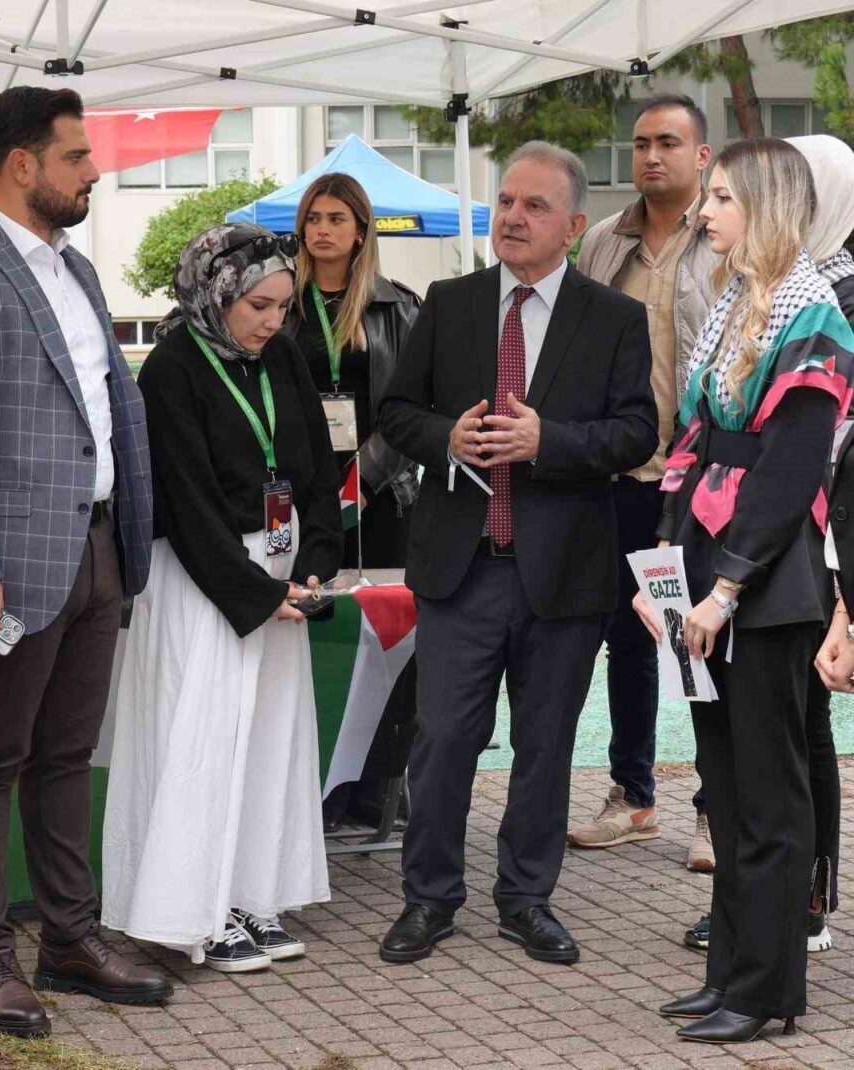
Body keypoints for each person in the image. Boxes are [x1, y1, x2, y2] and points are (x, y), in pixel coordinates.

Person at [0, 85, 170, 1038]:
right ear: (23, 165)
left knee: (65, 759)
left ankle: (70, 939)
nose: (94, 170)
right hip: (7, 571)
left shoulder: (78, 271)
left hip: (96, 550)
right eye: (77, 156)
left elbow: (103, 407)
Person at [377, 142, 657, 966]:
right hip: (460, 572)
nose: (512, 217)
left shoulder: (612, 317)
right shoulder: (451, 300)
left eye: (535, 207)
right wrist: (444, 437)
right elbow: (396, 409)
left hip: (562, 576)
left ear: (572, 226)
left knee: (545, 746)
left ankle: (526, 899)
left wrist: (549, 440)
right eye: (505, 201)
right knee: (442, 742)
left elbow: (637, 433)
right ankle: (428, 900)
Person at [641, 138, 854, 1043]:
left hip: (766, 584)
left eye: (721, 197)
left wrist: (726, 588)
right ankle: (728, 969)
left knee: (769, 792)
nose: (704, 212)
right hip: (707, 569)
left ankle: (766, 992)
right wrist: (661, 564)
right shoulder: (738, 306)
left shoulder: (817, 321)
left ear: (765, 205)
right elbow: (691, 444)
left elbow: (790, 469)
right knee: (724, 785)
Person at [102, 224, 343, 972]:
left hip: (278, 576)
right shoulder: (173, 367)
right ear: (218, 294)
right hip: (206, 582)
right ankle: (184, 912)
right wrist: (250, 593)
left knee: (268, 740)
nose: (273, 322)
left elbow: (317, 469)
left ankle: (247, 894)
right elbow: (185, 497)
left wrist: (316, 564)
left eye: (283, 306)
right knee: (200, 741)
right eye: (259, 306)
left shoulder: (282, 358)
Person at [573, 94, 718, 871]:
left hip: (701, 484)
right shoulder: (603, 243)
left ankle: (714, 807)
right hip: (624, 477)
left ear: (703, 155)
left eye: (669, 142)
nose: (651, 156)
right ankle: (632, 797)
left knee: (699, 643)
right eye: (640, 144)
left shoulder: (727, 234)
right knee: (626, 641)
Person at [280, 172, 420, 831]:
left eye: (337, 217)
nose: (323, 229)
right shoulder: (281, 304)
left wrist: (360, 481)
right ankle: (317, 784)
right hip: (301, 495)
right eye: (314, 217)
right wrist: (320, 487)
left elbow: (415, 407)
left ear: (361, 230)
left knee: (385, 636)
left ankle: (378, 783)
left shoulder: (398, 306)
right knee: (317, 633)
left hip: (383, 495)